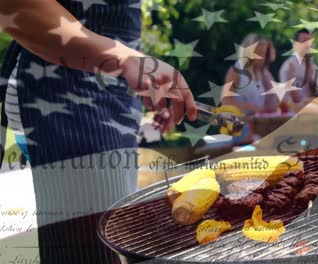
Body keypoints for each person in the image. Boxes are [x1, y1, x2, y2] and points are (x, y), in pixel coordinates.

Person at [0, 1, 196, 263]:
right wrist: (123, 58)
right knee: (95, 253)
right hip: (69, 97)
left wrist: (143, 77)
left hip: (106, 96)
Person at [221, 34, 276, 144]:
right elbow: (225, 102)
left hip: (257, 126)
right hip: (239, 127)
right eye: (259, 53)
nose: (262, 57)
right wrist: (250, 107)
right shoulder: (235, 72)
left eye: (264, 54)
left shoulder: (260, 72)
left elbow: (274, 97)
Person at [279, 28, 318, 108]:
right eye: (304, 41)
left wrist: (311, 79)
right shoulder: (288, 67)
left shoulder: (313, 66)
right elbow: (285, 98)